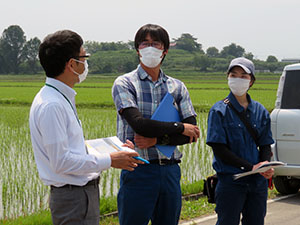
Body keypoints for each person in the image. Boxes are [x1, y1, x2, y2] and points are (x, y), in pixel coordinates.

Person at [29, 30, 143, 225]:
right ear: (71, 64)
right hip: (73, 198)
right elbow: (61, 161)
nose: (85, 64)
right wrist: (110, 160)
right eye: (83, 58)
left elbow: (72, 148)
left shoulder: (59, 97)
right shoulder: (52, 105)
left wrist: (114, 149)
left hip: (80, 195)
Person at [112, 24, 200, 225]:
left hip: (170, 171)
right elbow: (138, 124)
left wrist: (157, 140)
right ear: (137, 50)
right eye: (145, 43)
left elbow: (192, 132)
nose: (150, 48)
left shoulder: (177, 86)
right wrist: (178, 127)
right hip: (138, 170)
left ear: (165, 50)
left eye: (156, 44)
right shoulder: (125, 83)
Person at [206, 57, 275, 225]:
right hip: (231, 181)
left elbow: (265, 144)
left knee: (256, 221)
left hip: (257, 182)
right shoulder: (219, 110)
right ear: (228, 78)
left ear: (251, 81)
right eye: (234, 75)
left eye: (244, 76)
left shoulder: (260, 110)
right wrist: (251, 167)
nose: (238, 79)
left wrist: (265, 165)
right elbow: (220, 149)